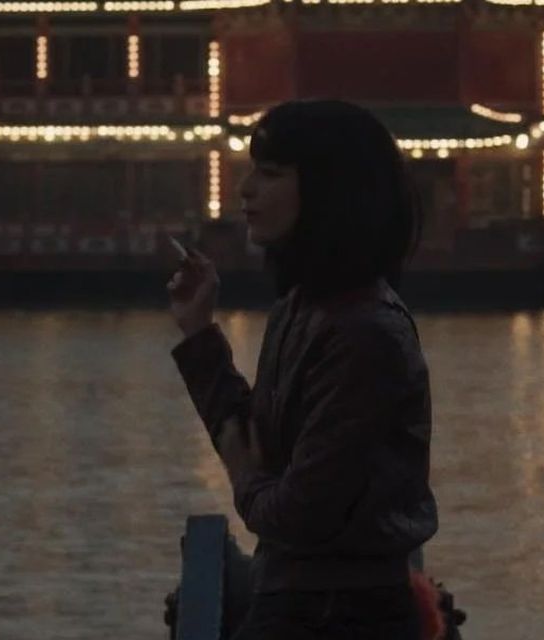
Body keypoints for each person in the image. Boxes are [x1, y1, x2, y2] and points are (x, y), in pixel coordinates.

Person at [165, 99, 440, 640]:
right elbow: (255, 444)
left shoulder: (366, 332)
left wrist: (246, 479)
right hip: (297, 603)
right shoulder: (300, 308)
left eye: (270, 174)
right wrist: (199, 333)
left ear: (328, 192)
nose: (246, 189)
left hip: (344, 617)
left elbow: (299, 513)